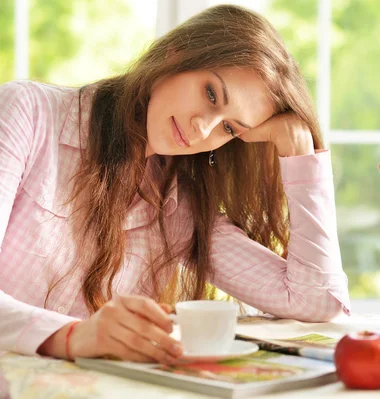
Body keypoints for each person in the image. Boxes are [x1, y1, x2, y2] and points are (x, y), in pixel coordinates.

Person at [0, 4, 350, 365]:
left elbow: (315, 300)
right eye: (211, 94)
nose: (203, 128)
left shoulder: (182, 208)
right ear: (177, 53)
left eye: (230, 128)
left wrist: (301, 155)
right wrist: (74, 336)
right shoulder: (28, 113)